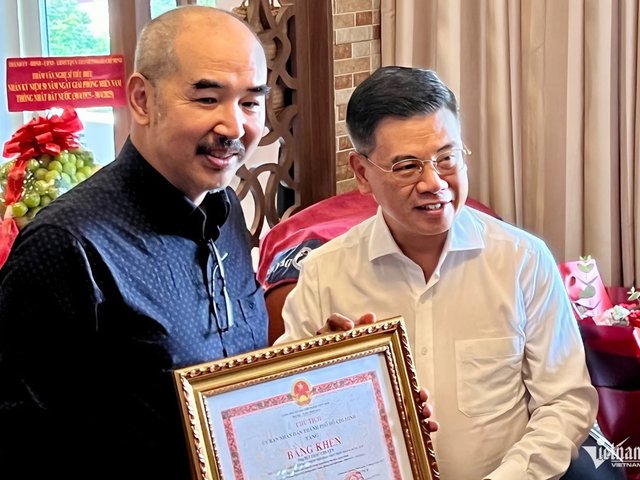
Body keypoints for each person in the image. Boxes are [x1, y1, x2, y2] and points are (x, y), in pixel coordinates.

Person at [276, 66, 599, 479]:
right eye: (407, 166)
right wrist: (322, 376)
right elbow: (286, 415)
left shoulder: (522, 260)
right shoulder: (324, 274)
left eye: (447, 158)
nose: (434, 183)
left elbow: (564, 402)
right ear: (362, 173)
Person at [0, 6, 270, 478]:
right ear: (143, 100)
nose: (234, 127)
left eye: (250, 103)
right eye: (208, 99)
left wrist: (325, 371)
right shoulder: (67, 246)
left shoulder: (224, 210)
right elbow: (24, 444)